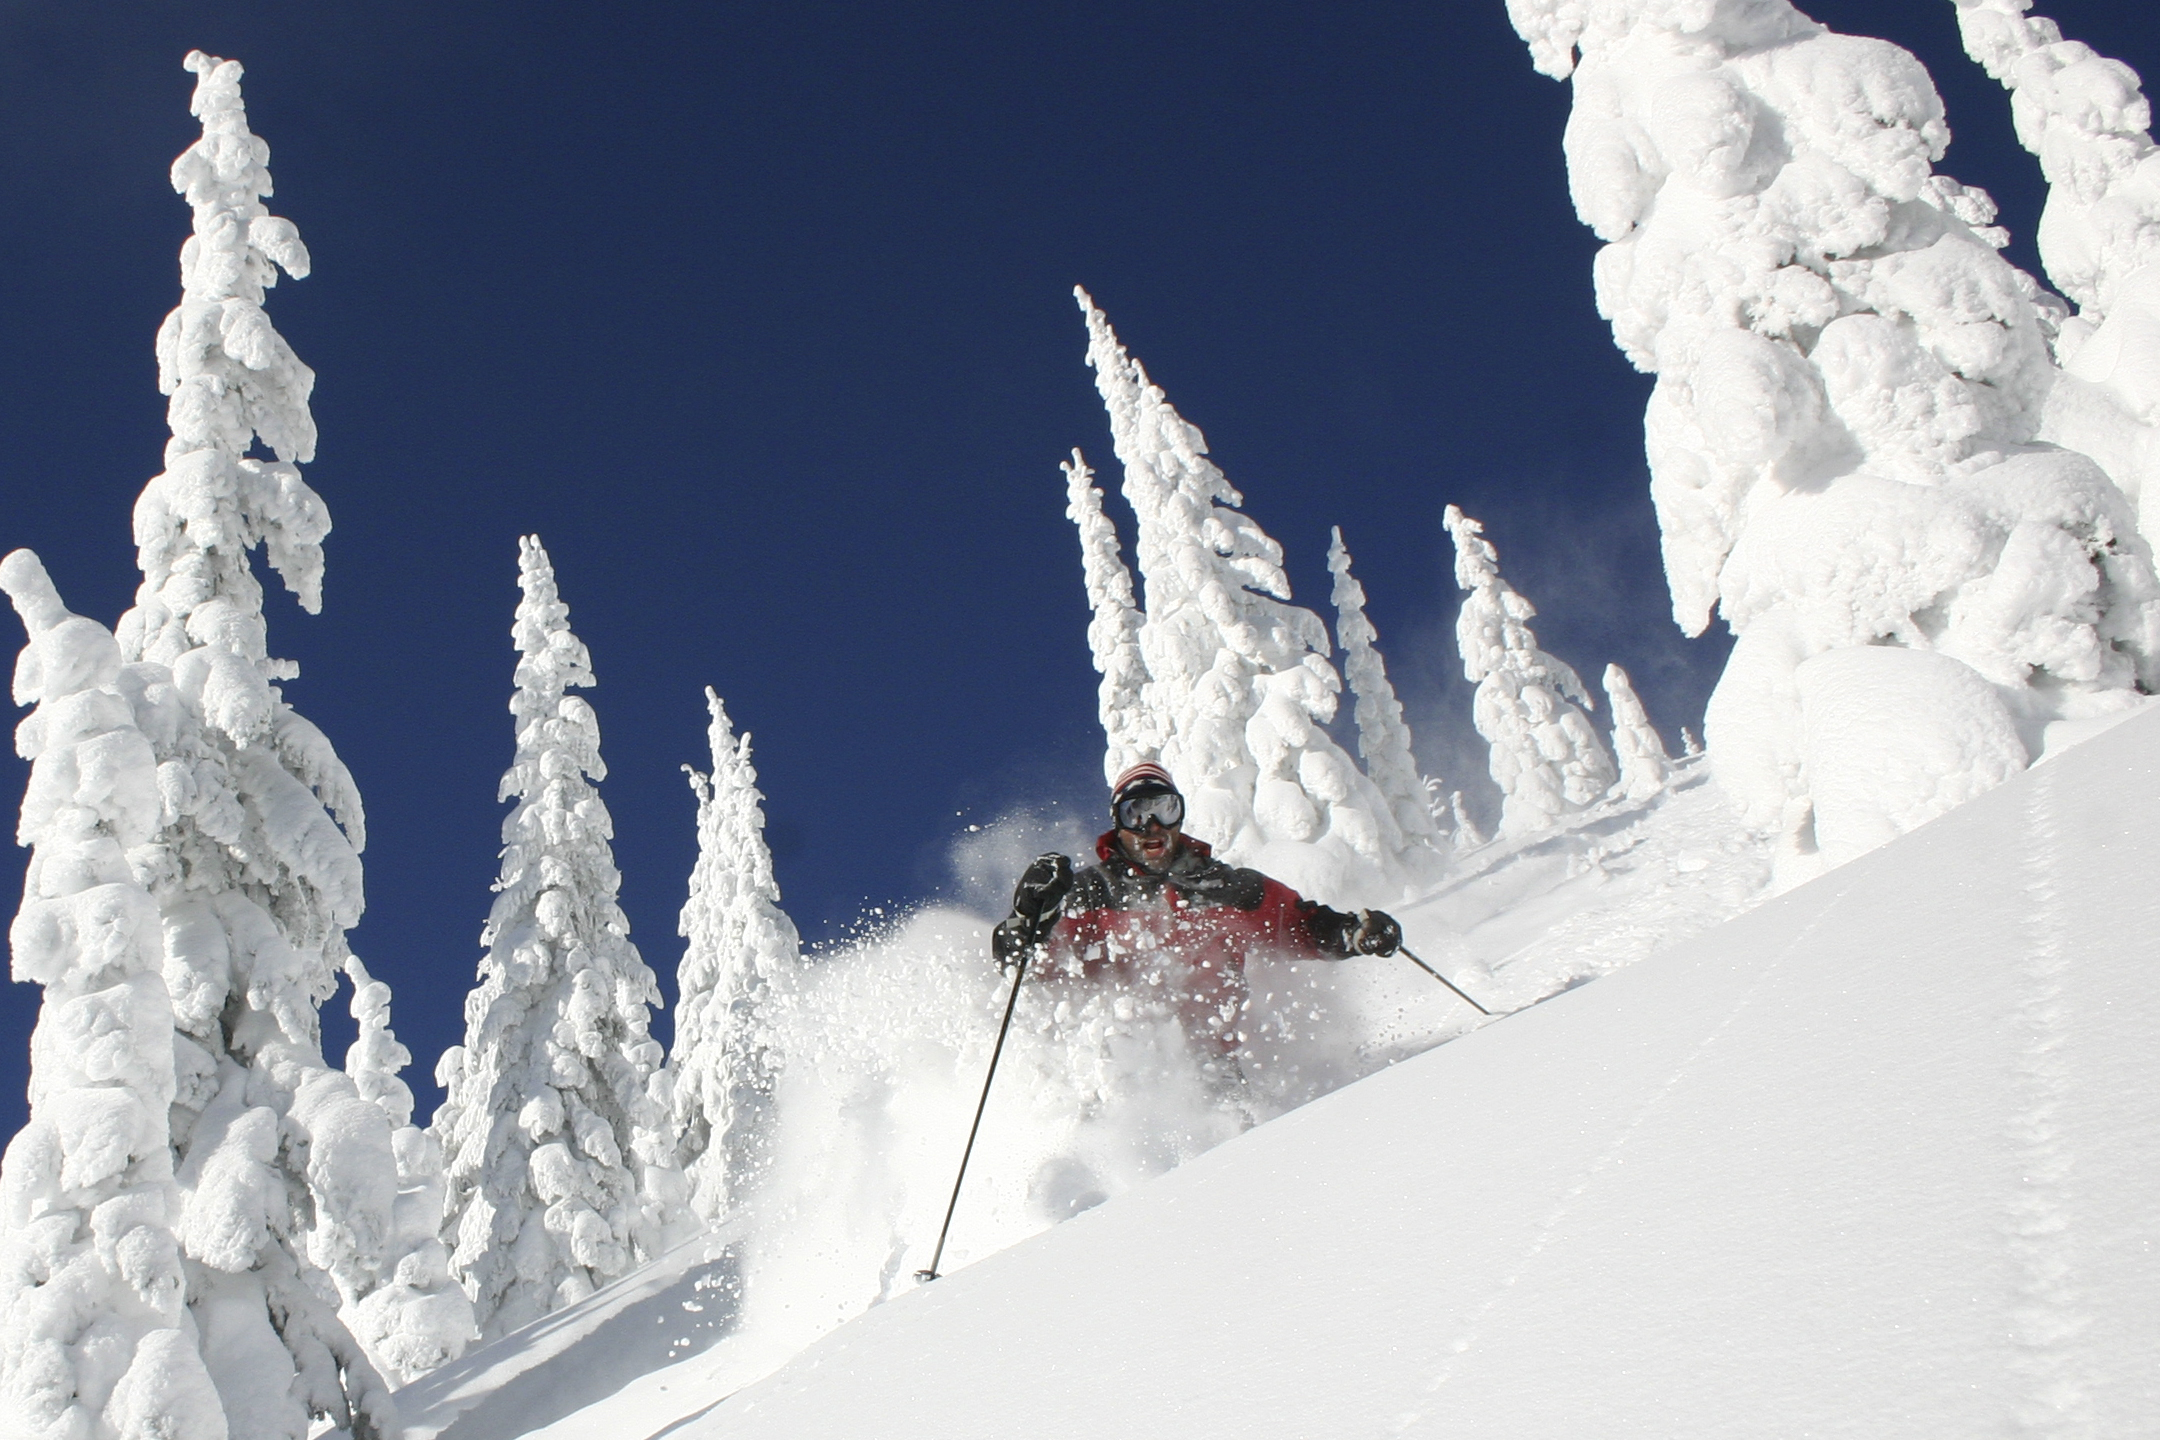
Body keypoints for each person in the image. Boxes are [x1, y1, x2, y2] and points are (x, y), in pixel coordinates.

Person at [991, 762, 1403, 1063]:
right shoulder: (1092, 892)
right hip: (1123, 1065)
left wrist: (1352, 931)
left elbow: (1298, 925)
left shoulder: (1227, 888)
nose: (1150, 825)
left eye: (1163, 809)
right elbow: (1023, 966)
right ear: (1118, 824)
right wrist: (1029, 917)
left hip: (1215, 1063)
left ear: (1179, 815)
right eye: (1135, 813)